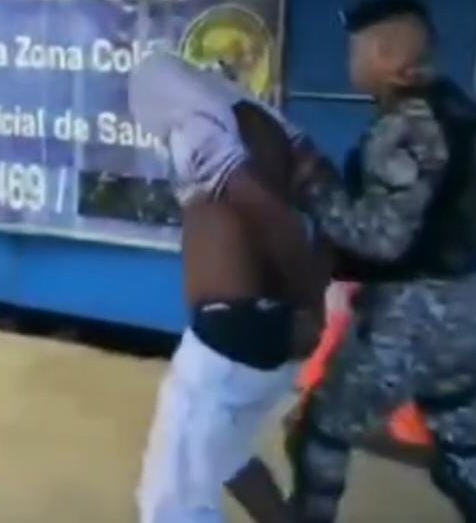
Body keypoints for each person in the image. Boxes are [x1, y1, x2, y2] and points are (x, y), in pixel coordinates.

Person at [285, 0, 476, 522]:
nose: (351, 63)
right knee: (462, 444)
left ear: (386, 54)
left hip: (412, 319)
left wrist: (313, 185)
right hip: (468, 310)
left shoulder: (408, 124)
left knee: (321, 431)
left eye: (356, 50)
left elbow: (380, 240)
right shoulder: (461, 112)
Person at [130, 52, 328, 523]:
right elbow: (327, 203)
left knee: (171, 504)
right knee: (226, 453)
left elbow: (265, 210)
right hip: (266, 335)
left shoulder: (197, 121)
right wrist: (310, 304)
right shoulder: (268, 122)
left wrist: (312, 303)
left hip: (233, 335)